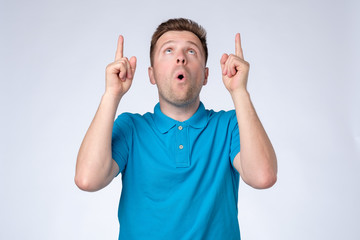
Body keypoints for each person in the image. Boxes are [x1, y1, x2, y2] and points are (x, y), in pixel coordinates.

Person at [75, 18, 277, 240]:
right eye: (169, 50)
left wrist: (240, 92)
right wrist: (111, 94)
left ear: (206, 75)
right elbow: (88, 179)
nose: (181, 57)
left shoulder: (229, 126)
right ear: (151, 74)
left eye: (191, 52)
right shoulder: (131, 129)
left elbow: (262, 177)